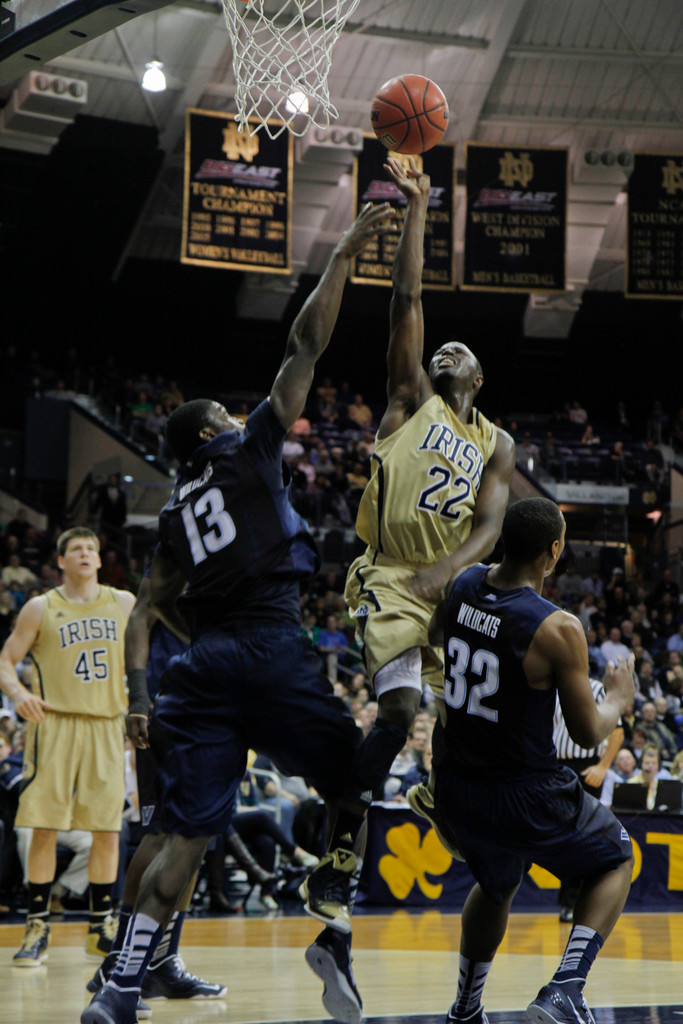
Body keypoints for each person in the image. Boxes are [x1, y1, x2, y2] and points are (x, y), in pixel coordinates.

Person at [82, 201, 395, 1024]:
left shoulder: (172, 517)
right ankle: (331, 921)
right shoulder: (247, 445)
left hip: (200, 671)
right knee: (358, 778)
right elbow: (305, 345)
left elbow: (146, 611)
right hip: (264, 646)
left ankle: (120, 988)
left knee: (182, 837)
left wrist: (145, 699)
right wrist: (345, 254)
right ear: (217, 429)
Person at [343, 156, 514, 846]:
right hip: (391, 573)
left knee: (473, 711)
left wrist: (450, 573)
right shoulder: (411, 400)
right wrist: (417, 207)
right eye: (439, 348)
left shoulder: (496, 442)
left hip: (445, 586)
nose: (445, 349)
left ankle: (434, 790)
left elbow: (490, 524)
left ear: (478, 375)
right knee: (399, 707)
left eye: (459, 349)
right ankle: (340, 838)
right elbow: (407, 301)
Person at [428, 497, 634, 1024]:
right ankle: (565, 988)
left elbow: (436, 641)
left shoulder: (462, 582)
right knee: (616, 856)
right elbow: (589, 732)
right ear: (554, 551)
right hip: (521, 791)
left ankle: (465, 1008)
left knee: (497, 883)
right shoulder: (557, 628)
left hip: (457, 784)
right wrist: (618, 699)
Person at [85, 572, 227, 1006]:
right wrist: (139, 698)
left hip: (212, 708)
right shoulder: (180, 550)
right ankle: (120, 963)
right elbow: (140, 621)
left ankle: (162, 960)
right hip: (169, 705)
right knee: (162, 834)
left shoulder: (229, 554)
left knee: (193, 840)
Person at [0, 526, 135, 966]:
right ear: (60, 561)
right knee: (44, 826)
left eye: (91, 548)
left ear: (100, 560)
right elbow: (5, 659)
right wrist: (19, 695)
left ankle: (101, 928)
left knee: (107, 830)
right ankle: (37, 927)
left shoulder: (123, 603)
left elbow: (147, 657)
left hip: (106, 724)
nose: (83, 554)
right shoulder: (41, 607)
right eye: (75, 548)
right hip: (53, 722)